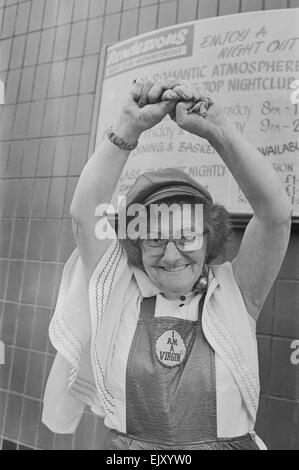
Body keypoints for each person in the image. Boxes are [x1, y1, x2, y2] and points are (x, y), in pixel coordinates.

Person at [42, 79, 292, 450]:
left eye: (187, 235)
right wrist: (129, 126)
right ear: (135, 246)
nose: (172, 255)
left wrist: (219, 131)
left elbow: (275, 214)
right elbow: (84, 213)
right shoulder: (117, 289)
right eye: (155, 239)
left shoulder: (236, 293)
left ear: (210, 237)